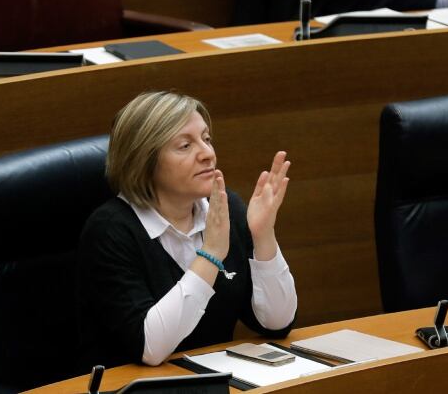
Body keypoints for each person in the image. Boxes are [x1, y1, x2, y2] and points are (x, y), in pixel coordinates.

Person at [77, 91, 297, 369]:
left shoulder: (223, 208)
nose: (207, 154)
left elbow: (276, 323)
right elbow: (149, 348)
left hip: (211, 382)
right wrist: (212, 254)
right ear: (145, 160)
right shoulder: (110, 231)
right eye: (185, 146)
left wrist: (263, 234)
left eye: (206, 139)